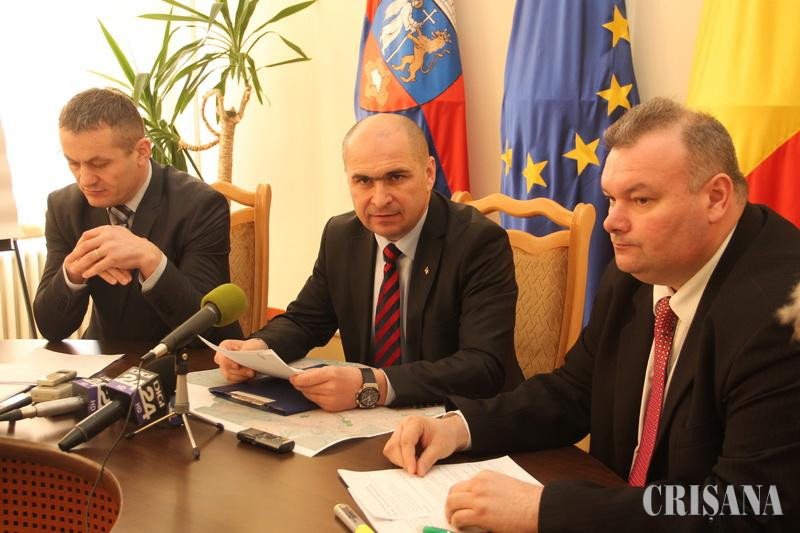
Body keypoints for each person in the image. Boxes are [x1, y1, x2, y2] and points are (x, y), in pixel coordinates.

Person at [384, 98, 800, 531]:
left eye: (641, 199)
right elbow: (575, 391)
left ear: (715, 198)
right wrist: (459, 427)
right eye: (611, 199)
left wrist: (544, 510)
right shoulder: (638, 273)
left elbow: (748, 505)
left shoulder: (781, 319)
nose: (611, 222)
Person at [215, 113, 522, 411]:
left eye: (396, 177)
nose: (379, 199)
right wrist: (258, 349)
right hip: (371, 421)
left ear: (429, 174)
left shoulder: (478, 242)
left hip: (463, 421)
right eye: (363, 181)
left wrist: (374, 385)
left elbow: (482, 365)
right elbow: (305, 321)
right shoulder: (341, 236)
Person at [34, 88, 241, 343]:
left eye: (99, 164)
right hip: (104, 359)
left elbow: (206, 329)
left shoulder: (201, 205)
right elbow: (51, 329)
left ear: (142, 151)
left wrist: (151, 260)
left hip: (185, 360)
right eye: (73, 163)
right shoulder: (64, 208)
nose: (85, 179)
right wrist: (72, 273)